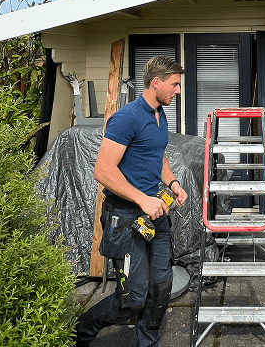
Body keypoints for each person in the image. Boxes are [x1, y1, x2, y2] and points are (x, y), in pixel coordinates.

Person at [75, 55, 188, 347]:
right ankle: (82, 330)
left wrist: (172, 183)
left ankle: (146, 342)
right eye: (174, 84)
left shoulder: (159, 114)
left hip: (155, 215)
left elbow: (157, 153)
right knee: (132, 298)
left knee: (161, 287)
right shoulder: (127, 118)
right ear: (156, 82)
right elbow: (102, 170)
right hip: (124, 218)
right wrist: (142, 199)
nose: (178, 90)